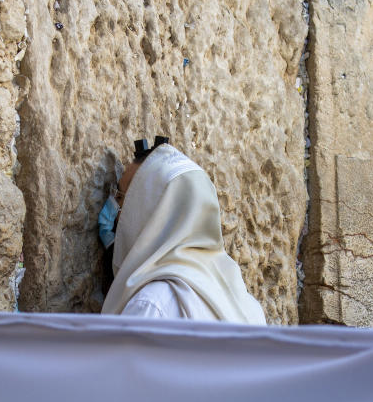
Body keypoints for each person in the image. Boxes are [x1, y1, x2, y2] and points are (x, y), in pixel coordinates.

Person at [97, 138, 266, 324]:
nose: (116, 209)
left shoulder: (151, 305)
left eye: (121, 197)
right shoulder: (247, 305)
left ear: (151, 212)